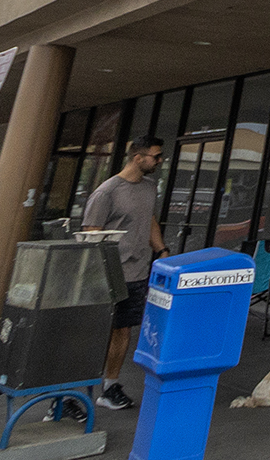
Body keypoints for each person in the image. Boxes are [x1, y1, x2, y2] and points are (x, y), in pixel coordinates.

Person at [81, 136, 170, 411]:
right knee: (97, 332)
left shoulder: (149, 187)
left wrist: (162, 249)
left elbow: (149, 219)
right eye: (156, 156)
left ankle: (110, 387)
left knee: (123, 330)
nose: (159, 161)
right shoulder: (107, 192)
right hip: (109, 273)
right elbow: (91, 231)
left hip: (138, 271)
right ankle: (74, 393)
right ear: (138, 158)